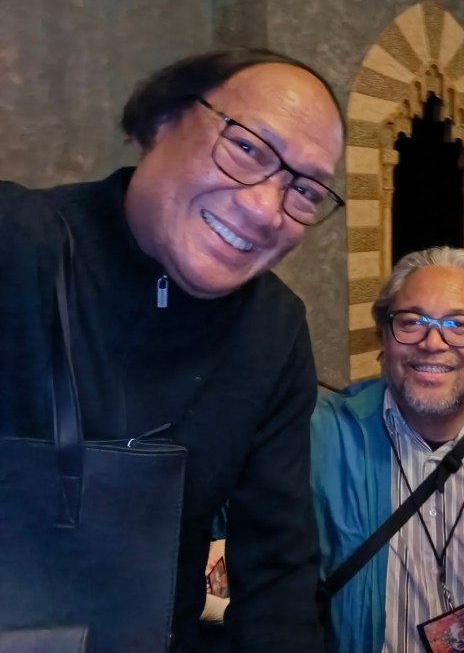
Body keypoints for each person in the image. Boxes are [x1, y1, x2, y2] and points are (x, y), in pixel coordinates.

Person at [0, 48, 345, 651]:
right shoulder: (15, 244)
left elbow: (278, 573)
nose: (264, 209)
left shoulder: (274, 330)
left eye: (306, 190)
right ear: (163, 120)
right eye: (247, 148)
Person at [311, 247, 464, 653]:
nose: (433, 342)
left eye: (459, 324)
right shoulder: (316, 438)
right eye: (411, 321)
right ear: (384, 338)